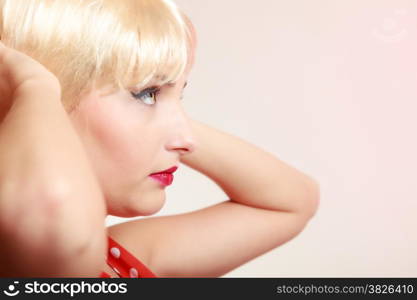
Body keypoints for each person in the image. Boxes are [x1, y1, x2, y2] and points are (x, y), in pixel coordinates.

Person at [0, 0, 320, 278]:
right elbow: (57, 222)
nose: (187, 141)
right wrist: (32, 87)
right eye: (146, 93)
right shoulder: (26, 263)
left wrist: (33, 85)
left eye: (180, 95)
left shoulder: (118, 264)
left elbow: (291, 203)